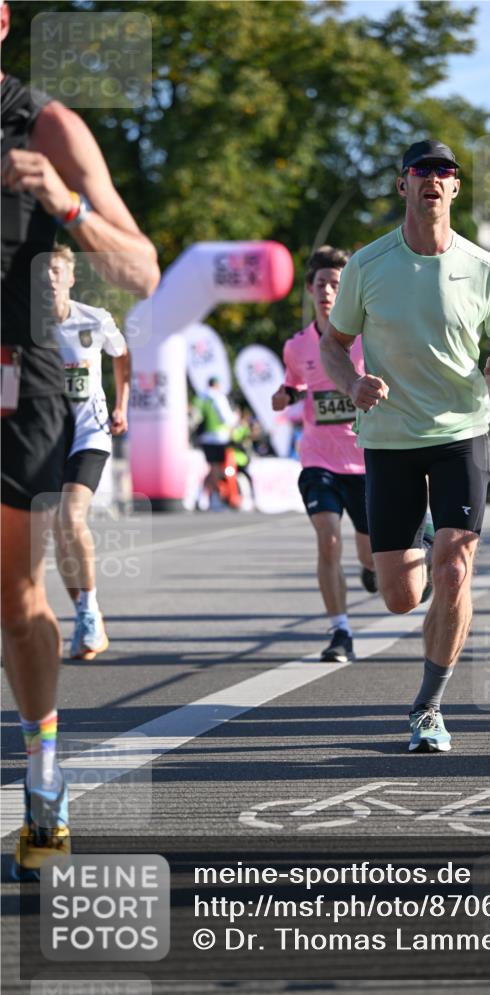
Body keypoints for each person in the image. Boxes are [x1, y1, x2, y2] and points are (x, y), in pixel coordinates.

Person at [1, 0, 160, 880]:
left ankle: (43, 778)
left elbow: (140, 265)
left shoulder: (46, 123)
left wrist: (63, 204)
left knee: (16, 604)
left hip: (17, 385)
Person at [321, 139, 490, 750]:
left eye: (445, 172)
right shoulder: (368, 265)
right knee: (400, 597)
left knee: (455, 568)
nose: (434, 179)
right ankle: (426, 541)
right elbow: (333, 345)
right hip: (389, 441)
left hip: (461, 433)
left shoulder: (482, 267)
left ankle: (429, 708)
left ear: (456, 188)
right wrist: (353, 382)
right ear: (403, 185)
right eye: (422, 171)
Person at [272, 245, 376, 664]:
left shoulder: (369, 339)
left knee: (371, 556)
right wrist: (284, 395)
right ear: (309, 290)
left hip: (367, 461)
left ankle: (373, 568)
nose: (328, 291)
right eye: (321, 284)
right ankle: (340, 631)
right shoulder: (296, 346)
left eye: (336, 284)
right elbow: (296, 382)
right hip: (319, 460)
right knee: (328, 540)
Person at [48, 243, 130, 660]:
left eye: (56, 271)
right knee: (56, 533)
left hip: (90, 433)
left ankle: (91, 609)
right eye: (43, 272)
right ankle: (82, 612)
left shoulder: (94, 319)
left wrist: (121, 404)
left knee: (69, 516)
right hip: (46, 438)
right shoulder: (23, 326)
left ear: (70, 277)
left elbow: (122, 355)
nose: (49, 279)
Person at [192, 375, 240, 510]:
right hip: (218, 437)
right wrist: (236, 417)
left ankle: (202, 496)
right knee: (217, 469)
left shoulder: (200, 398)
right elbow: (227, 419)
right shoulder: (217, 398)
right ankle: (212, 497)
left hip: (204, 438)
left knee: (213, 468)